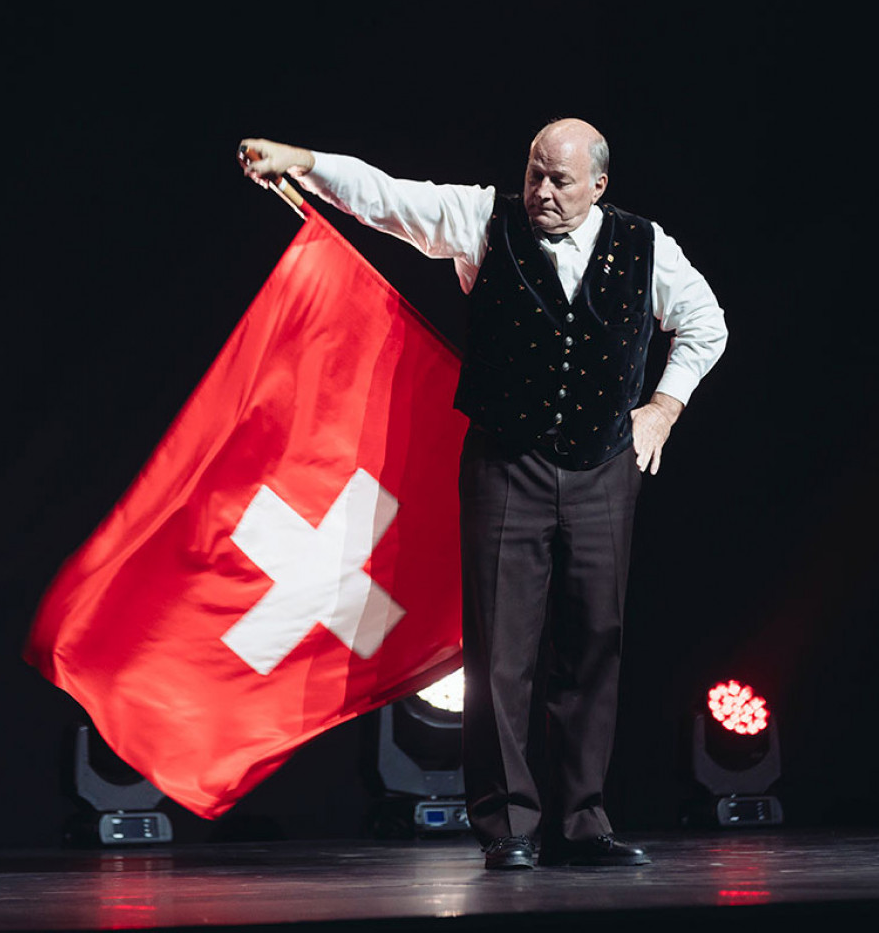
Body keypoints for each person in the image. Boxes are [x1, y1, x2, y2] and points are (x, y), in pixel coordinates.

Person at [238, 119, 727, 870]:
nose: (541, 192)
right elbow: (386, 199)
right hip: (507, 464)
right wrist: (303, 162)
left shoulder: (644, 244)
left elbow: (705, 324)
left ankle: (584, 822)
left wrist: (663, 408)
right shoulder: (483, 220)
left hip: (602, 470)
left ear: (599, 184)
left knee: (594, 644)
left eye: (559, 180)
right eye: (534, 174)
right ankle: (508, 828)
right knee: (502, 652)